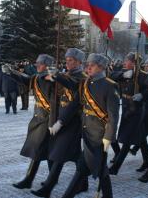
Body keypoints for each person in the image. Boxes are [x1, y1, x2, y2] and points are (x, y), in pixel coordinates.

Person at [54, 53, 119, 198]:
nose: (88, 68)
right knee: (98, 169)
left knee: (86, 167)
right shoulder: (85, 84)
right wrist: (60, 121)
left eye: (92, 65)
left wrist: (109, 137)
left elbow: (113, 116)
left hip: (99, 135)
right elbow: (74, 104)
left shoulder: (110, 86)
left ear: (101, 67)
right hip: (87, 131)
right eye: (87, 65)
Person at [31, 48, 89, 197]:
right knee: (74, 154)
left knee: (59, 153)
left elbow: (73, 87)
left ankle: (48, 188)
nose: (68, 63)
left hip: (73, 120)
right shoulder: (65, 75)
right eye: (67, 60)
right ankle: (83, 183)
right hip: (62, 118)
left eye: (71, 60)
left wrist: (57, 75)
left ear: (79, 62)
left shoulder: (82, 77)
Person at [12, 54, 56, 191]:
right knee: (48, 151)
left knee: (38, 149)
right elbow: (26, 79)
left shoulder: (52, 79)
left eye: (40, 63)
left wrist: (53, 122)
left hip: (47, 119)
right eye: (37, 63)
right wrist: (11, 73)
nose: (37, 65)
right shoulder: (37, 77)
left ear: (47, 65)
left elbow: (55, 103)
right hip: (39, 117)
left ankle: (29, 180)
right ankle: (51, 179)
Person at [109, 52, 148, 175]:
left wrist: (142, 95)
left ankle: (116, 167)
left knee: (127, 139)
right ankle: (147, 161)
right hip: (127, 107)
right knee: (141, 137)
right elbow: (111, 75)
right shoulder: (125, 73)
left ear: (134, 63)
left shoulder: (143, 76)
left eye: (127, 61)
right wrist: (123, 74)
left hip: (136, 109)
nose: (124, 63)